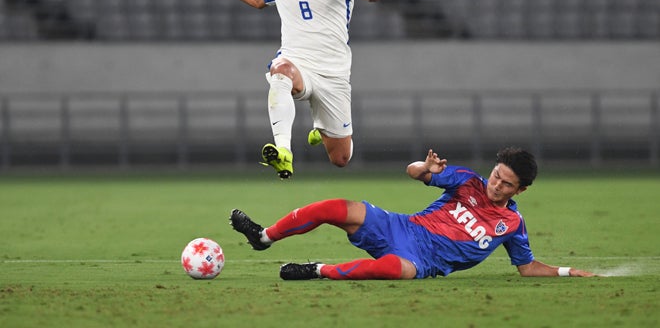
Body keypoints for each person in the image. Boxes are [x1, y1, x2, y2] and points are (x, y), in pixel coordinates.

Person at [230, 147, 598, 280]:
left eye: (505, 184)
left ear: (521, 191)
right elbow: (413, 173)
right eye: (496, 175)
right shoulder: (467, 181)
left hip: (421, 260)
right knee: (333, 207)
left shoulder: (512, 224)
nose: (495, 185)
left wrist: (566, 271)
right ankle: (263, 237)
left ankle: (316, 270)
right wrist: (426, 168)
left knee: (393, 271)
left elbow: (526, 267)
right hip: (399, 226)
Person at [214, 0, 381, 180]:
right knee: (279, 70)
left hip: (333, 74)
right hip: (297, 63)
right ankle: (283, 152)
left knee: (341, 159)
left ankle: (322, 128)